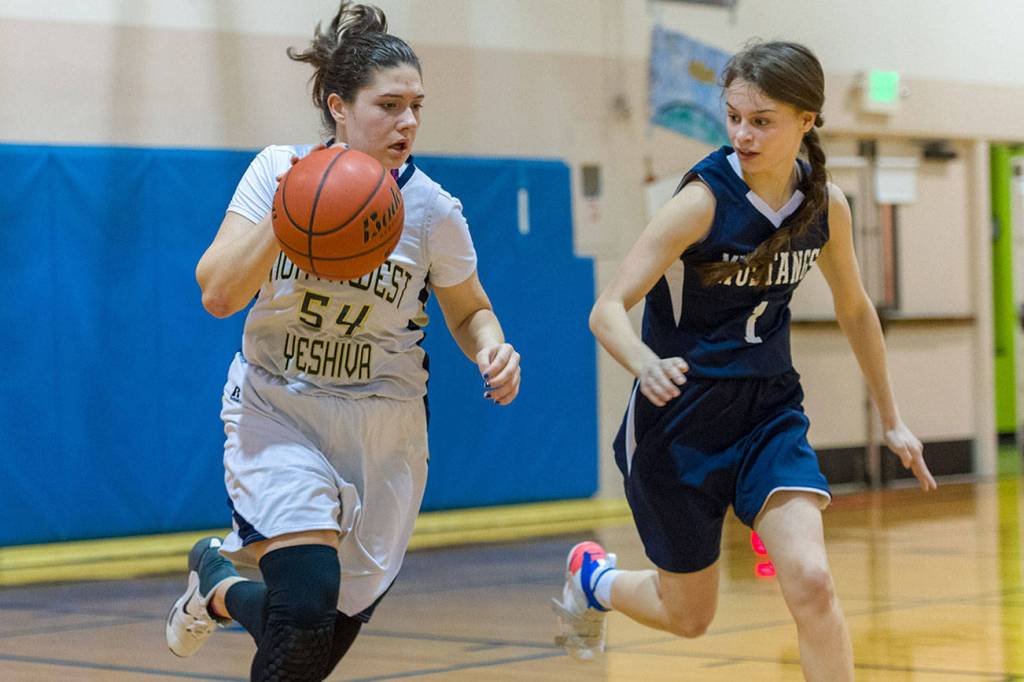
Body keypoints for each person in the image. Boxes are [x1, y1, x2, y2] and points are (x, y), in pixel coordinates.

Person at [552, 41, 935, 681]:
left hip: (768, 413)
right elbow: (607, 308)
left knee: (812, 581)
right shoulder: (702, 201)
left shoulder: (825, 204)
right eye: (734, 117)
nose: (743, 133)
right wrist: (645, 362)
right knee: (689, 616)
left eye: (762, 120)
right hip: (681, 420)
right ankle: (595, 581)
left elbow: (856, 309)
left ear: (806, 120)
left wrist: (893, 417)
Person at [165, 3, 521, 680]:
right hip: (279, 408)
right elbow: (216, 293)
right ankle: (224, 584)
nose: (408, 122)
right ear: (338, 107)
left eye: (417, 105)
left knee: (311, 648)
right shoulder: (277, 169)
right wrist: (292, 210)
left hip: (384, 430)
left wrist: (491, 347)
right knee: (300, 619)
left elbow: (471, 309)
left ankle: (215, 585)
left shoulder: (434, 211)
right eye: (389, 105)